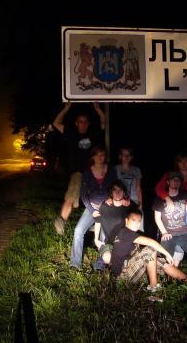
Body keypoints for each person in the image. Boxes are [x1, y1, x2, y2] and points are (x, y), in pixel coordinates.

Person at [100, 210, 187, 290]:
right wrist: (167, 254)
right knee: (150, 250)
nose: (136, 224)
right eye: (133, 221)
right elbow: (151, 243)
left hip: (130, 268)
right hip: (122, 277)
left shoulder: (131, 234)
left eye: (139, 221)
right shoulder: (125, 232)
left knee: (160, 262)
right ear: (126, 221)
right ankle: (154, 288)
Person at [52, 102, 105, 235]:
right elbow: (56, 123)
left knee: (97, 198)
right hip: (78, 173)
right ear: (76, 123)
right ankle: (61, 220)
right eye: (80, 122)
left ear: (88, 123)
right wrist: (66, 108)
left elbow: (104, 123)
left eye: (85, 122)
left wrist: (98, 109)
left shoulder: (93, 134)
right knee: (72, 196)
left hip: (92, 173)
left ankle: (95, 223)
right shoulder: (71, 134)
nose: (83, 124)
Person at [70, 146, 117, 269]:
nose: (100, 157)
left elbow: (115, 187)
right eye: (98, 155)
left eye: (103, 155)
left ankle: (100, 264)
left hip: (107, 208)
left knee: (104, 235)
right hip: (91, 207)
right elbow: (83, 194)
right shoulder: (88, 172)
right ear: (93, 157)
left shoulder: (111, 170)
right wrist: (92, 210)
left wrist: (111, 198)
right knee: (78, 230)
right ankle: (75, 263)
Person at [92, 180, 138, 271]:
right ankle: (110, 262)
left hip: (126, 243)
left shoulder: (130, 206)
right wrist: (96, 239)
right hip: (110, 244)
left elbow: (137, 221)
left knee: (129, 262)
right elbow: (97, 222)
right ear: (111, 192)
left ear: (124, 192)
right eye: (114, 190)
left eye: (120, 190)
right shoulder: (104, 206)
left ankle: (118, 263)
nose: (117, 192)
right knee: (107, 257)